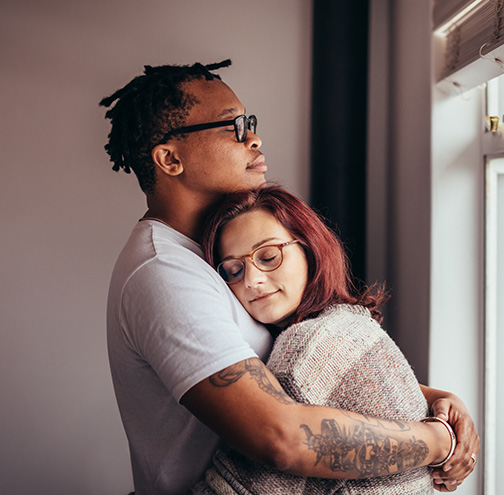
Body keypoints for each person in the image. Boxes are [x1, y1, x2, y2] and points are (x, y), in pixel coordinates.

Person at [100, 61, 479, 495]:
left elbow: (301, 376)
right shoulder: (166, 273)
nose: (254, 138)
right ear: (170, 158)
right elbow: (281, 436)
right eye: (233, 126)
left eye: (250, 124)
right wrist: (436, 441)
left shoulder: (209, 252)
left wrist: (433, 401)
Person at [191, 185, 467, 494]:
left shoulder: (306, 344)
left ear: (309, 248)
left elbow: (239, 488)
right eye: (234, 269)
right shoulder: (350, 323)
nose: (252, 280)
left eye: (269, 256)